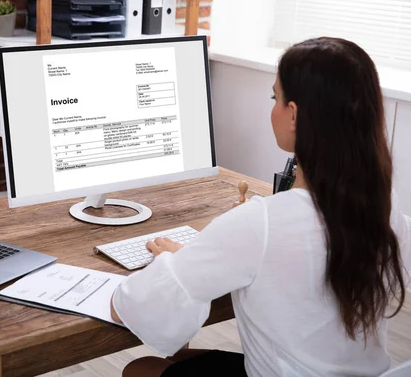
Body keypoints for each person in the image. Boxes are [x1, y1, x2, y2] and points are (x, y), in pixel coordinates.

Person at [110, 37, 411, 377]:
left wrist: (170, 261)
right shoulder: (383, 208)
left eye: (275, 98)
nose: (273, 108)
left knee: (141, 369)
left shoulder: (262, 222)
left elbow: (129, 306)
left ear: (293, 114)